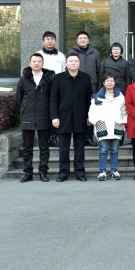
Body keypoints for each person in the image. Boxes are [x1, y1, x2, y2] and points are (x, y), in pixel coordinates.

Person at [50, 54, 93, 182]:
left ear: (79, 63)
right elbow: (53, 99)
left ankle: (80, 172)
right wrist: (54, 116)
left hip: (81, 117)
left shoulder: (86, 77)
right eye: (70, 61)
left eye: (75, 61)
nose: (73, 63)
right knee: (64, 148)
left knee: (80, 147)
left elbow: (89, 99)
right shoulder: (58, 78)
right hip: (63, 117)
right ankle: (63, 173)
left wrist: (89, 116)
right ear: (66, 63)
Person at [16, 53, 55, 183]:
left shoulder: (49, 80)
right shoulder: (24, 80)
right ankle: (28, 173)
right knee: (27, 148)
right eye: (34, 61)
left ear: (43, 63)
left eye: (39, 61)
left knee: (44, 147)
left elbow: (53, 98)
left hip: (44, 116)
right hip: (27, 117)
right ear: (30, 63)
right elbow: (19, 98)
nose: (37, 63)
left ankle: (43, 172)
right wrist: (25, 109)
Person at [88, 74, 128, 181]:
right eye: (107, 81)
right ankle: (102, 172)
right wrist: (97, 121)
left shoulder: (120, 96)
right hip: (103, 125)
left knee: (115, 150)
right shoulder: (97, 97)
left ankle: (114, 171)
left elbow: (124, 111)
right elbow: (92, 112)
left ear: (115, 82)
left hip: (116, 125)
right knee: (103, 150)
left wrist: (123, 122)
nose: (110, 82)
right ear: (103, 83)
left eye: (112, 80)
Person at [67, 31, 101, 147]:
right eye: (80, 38)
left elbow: (98, 71)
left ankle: (89, 138)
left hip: (93, 86)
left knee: (90, 112)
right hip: (76, 86)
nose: (82, 40)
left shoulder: (95, 52)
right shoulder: (71, 53)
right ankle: (79, 138)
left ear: (88, 40)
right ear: (77, 40)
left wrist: (99, 87)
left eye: (85, 38)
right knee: (78, 112)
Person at [36, 31, 66, 147]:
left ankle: (54, 136)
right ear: (43, 41)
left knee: (56, 110)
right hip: (43, 87)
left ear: (55, 41)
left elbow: (64, 71)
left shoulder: (61, 56)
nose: (50, 41)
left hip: (58, 87)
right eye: (47, 39)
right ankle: (45, 138)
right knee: (44, 111)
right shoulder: (38, 55)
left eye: (52, 39)